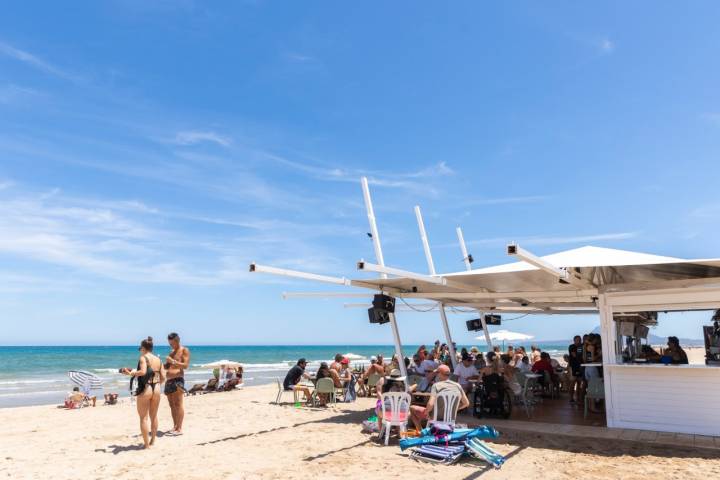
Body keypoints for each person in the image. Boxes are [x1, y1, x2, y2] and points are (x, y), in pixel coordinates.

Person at [121, 336, 165, 449]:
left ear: (143, 348)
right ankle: (153, 441)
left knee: (143, 418)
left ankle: (146, 445)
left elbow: (143, 372)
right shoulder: (159, 360)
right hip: (157, 388)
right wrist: (157, 383)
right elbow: (164, 377)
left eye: (140, 348)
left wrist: (130, 373)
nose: (140, 350)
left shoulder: (143, 358)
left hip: (146, 388)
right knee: (154, 416)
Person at [409, 365, 469, 431]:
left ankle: (421, 432)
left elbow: (430, 404)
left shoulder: (436, 386)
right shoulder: (458, 386)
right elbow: (466, 403)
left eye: (437, 373)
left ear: (440, 374)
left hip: (435, 420)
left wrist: (427, 412)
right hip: (450, 422)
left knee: (412, 408)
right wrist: (455, 408)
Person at [164, 332, 190, 436]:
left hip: (178, 379)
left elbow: (185, 365)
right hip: (169, 381)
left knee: (178, 404)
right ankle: (175, 426)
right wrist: (162, 364)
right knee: (172, 405)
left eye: (172, 343)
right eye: (169, 344)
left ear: (177, 340)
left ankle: (179, 429)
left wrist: (173, 361)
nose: (171, 345)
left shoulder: (184, 350)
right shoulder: (171, 352)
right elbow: (167, 367)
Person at [568, 335, 584, 403]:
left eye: (580, 340)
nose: (579, 341)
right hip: (573, 367)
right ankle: (571, 398)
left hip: (580, 367)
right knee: (572, 382)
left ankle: (578, 397)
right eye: (577, 340)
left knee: (579, 383)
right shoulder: (572, 346)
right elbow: (574, 355)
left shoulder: (582, 346)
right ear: (574, 340)